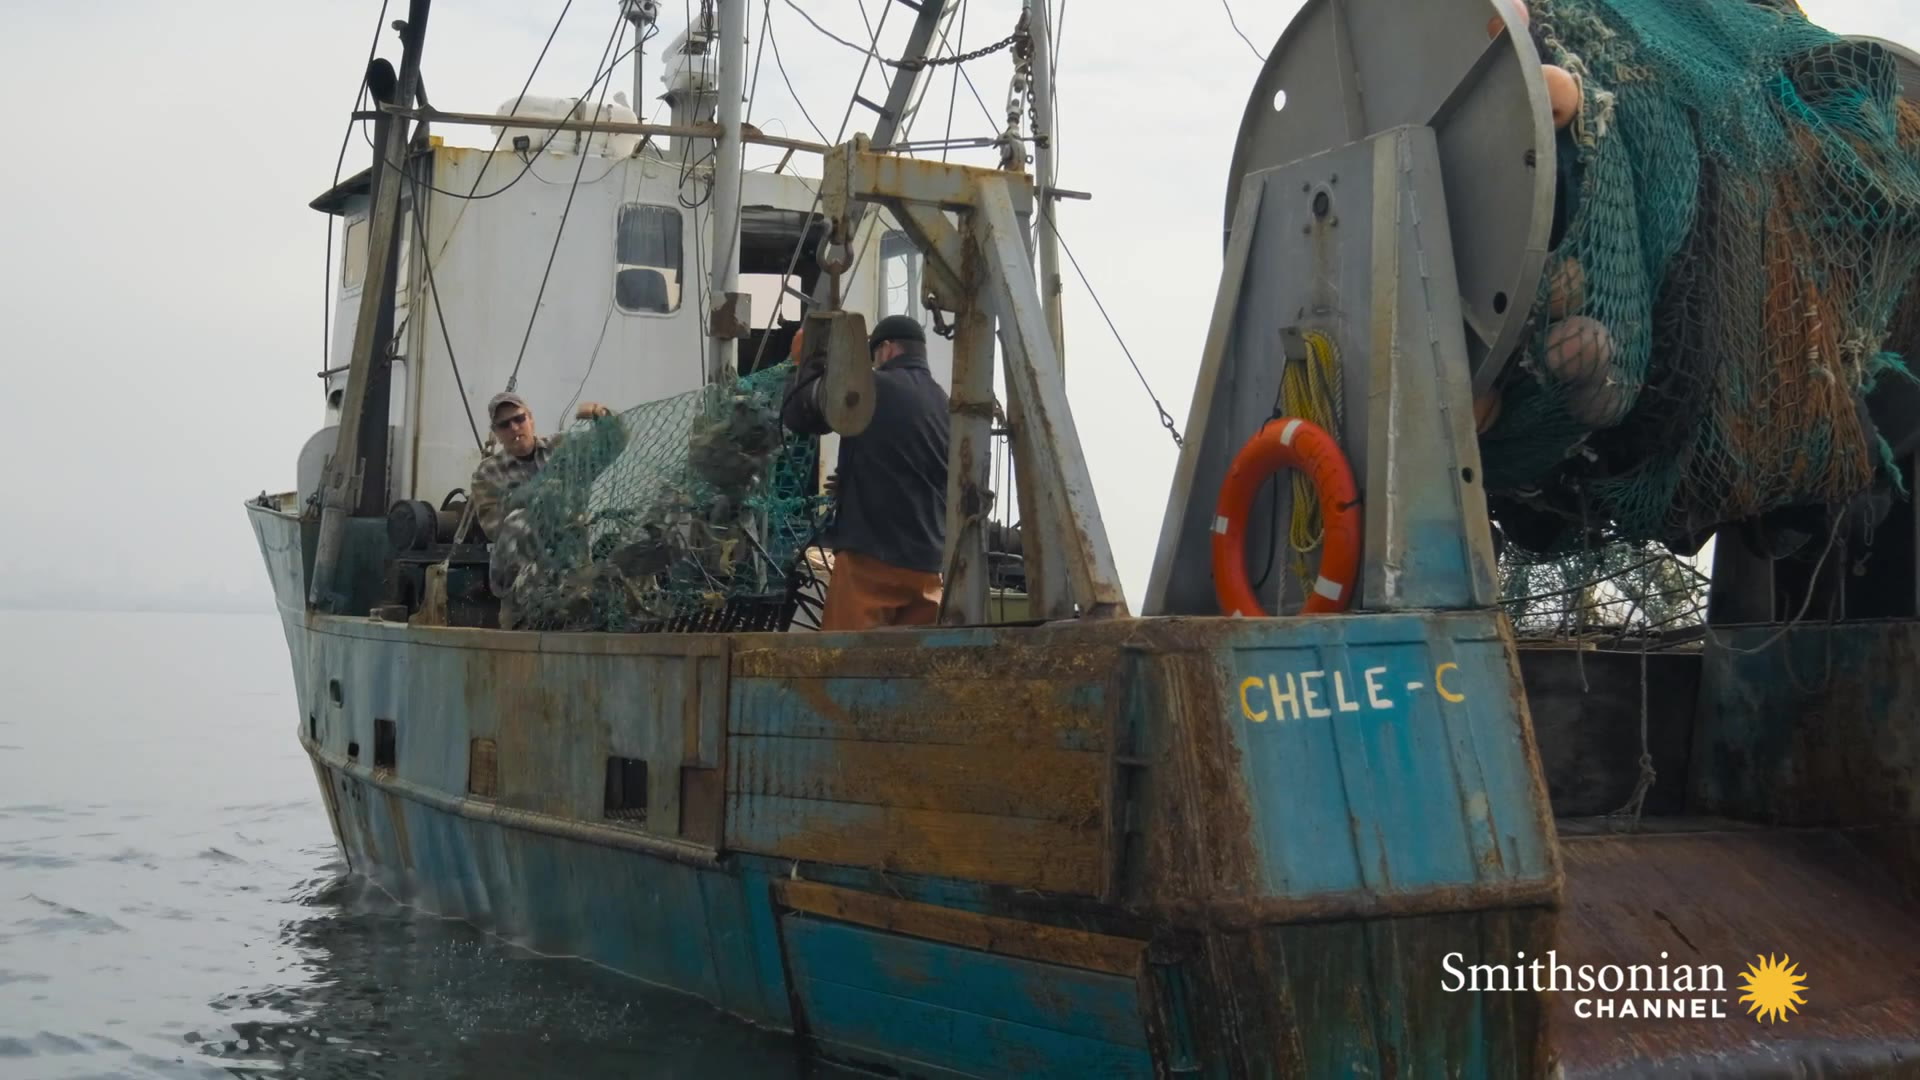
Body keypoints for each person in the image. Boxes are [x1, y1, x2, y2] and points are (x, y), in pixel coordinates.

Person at [782, 314, 951, 630]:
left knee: (845, 665)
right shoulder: (944, 402)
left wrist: (802, 362)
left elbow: (801, 415)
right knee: (908, 668)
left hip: (872, 563)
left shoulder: (873, 388)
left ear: (886, 349)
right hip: (928, 570)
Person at [470, 391, 620, 626]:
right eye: (504, 424)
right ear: (497, 433)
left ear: (531, 419)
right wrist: (530, 502)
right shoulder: (487, 473)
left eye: (519, 419)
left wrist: (601, 415)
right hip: (522, 591)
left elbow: (614, 444)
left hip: (574, 579)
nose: (514, 428)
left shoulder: (564, 448)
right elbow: (495, 529)